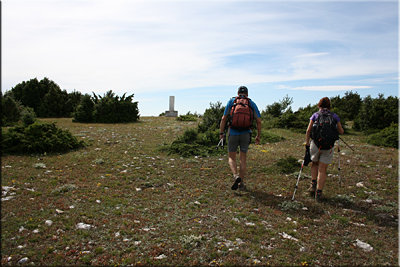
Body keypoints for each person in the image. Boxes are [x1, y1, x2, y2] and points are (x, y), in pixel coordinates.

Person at [219, 86, 262, 191]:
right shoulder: (251, 103)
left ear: (237, 93)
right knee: (243, 159)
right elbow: (259, 121)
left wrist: (221, 133)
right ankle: (241, 183)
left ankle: (235, 175)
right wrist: (258, 136)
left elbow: (224, 118)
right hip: (246, 133)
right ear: (247, 94)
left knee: (231, 157)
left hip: (233, 132)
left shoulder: (232, 101)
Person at [305, 97, 344, 201]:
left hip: (316, 144)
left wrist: (307, 142)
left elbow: (308, 130)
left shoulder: (315, 115)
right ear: (329, 105)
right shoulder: (334, 116)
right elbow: (341, 131)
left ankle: (313, 184)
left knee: (314, 163)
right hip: (328, 146)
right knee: (322, 170)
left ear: (319, 105)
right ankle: (319, 193)